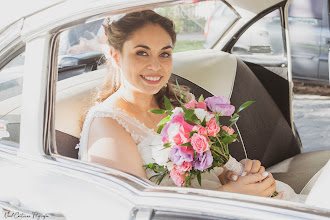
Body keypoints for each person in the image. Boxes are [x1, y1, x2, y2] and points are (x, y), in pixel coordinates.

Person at [77, 10, 304, 201]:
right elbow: (138, 207)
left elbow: (214, 171)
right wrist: (230, 196)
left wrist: (237, 175)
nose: (155, 65)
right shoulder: (108, 123)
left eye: (164, 53)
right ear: (116, 57)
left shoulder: (181, 103)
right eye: (142, 52)